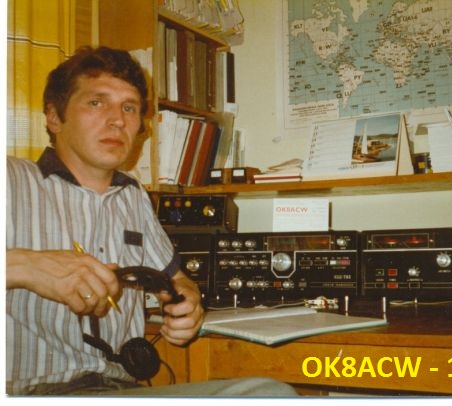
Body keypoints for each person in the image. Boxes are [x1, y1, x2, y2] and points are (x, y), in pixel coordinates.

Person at [6, 46, 296, 397]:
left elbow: (176, 281)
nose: (117, 120)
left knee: (266, 393)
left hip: (118, 390)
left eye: (129, 107)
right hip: (28, 391)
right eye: (97, 102)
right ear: (55, 117)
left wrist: (188, 303)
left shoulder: (133, 196)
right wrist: (25, 265)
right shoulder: (12, 178)